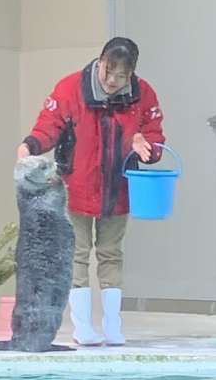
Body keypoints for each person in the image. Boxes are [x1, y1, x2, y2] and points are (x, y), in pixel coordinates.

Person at [17, 37, 165, 346]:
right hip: (76, 187)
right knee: (77, 254)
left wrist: (146, 146)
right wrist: (30, 145)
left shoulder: (143, 94)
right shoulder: (70, 89)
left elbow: (154, 138)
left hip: (118, 189)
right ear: (100, 61)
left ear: (131, 73)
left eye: (121, 76)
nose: (112, 81)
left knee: (111, 254)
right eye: (108, 71)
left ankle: (113, 325)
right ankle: (82, 326)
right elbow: (49, 126)